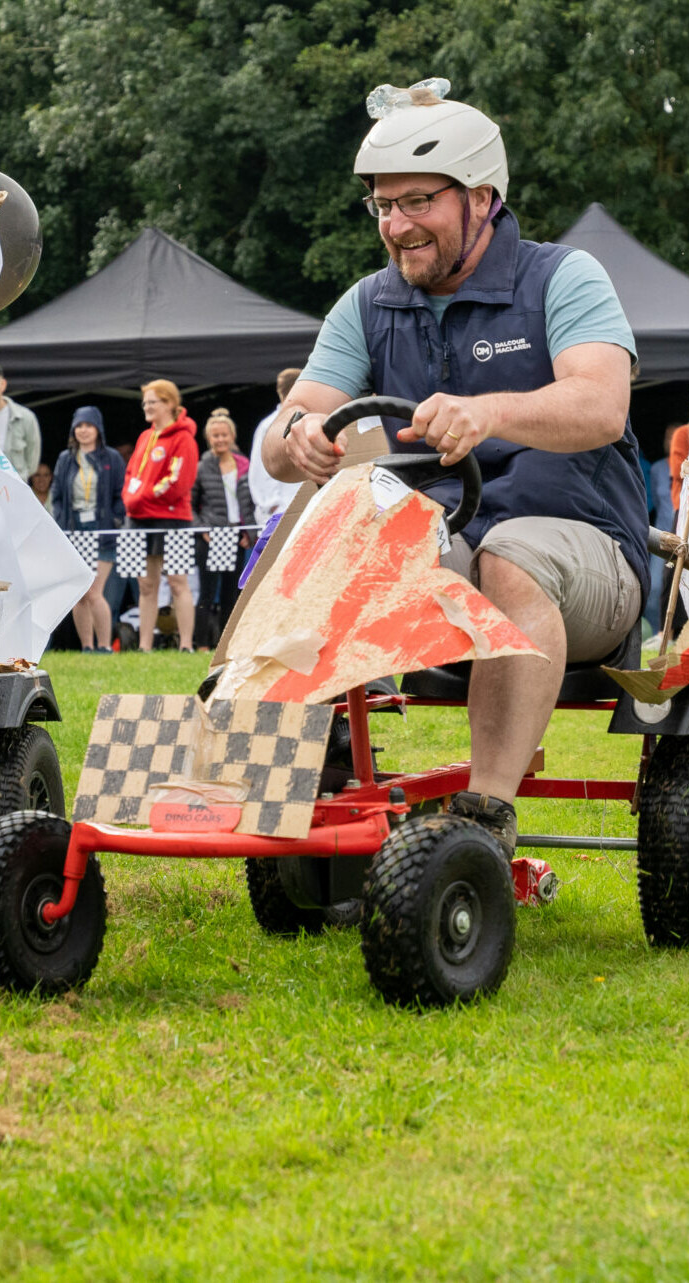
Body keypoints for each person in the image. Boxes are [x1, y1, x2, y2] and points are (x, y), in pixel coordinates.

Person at [267, 78, 646, 862]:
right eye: (380, 205)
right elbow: (290, 421)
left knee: (511, 555)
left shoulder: (562, 278)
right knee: (321, 534)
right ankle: (306, 771)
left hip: (587, 549)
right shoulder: (368, 305)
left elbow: (602, 404)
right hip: (447, 547)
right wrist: (298, 436)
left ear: (480, 196)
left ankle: (486, 817)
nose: (395, 225)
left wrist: (492, 412)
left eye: (416, 202)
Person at [123, 379, 200, 651]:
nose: (146, 407)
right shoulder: (145, 437)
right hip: (139, 517)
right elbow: (132, 472)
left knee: (178, 581)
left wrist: (141, 496)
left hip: (173, 518)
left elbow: (178, 482)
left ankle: (187, 644)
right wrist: (129, 498)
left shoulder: (183, 438)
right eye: (144, 402)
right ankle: (144, 646)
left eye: (152, 402)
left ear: (168, 403)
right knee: (145, 583)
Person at [50, 404, 126, 651]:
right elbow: (57, 496)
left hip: (102, 531)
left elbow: (119, 494)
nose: (83, 430)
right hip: (73, 530)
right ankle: (87, 647)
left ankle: (104, 646)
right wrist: (61, 526)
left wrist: (115, 520)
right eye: (79, 426)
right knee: (78, 593)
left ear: (98, 429)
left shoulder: (112, 458)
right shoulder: (65, 459)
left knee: (94, 590)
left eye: (88, 425)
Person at [191, 407, 256, 643]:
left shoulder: (244, 465)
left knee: (231, 592)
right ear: (209, 439)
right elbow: (190, 503)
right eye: (215, 436)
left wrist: (249, 532)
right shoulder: (201, 466)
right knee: (207, 593)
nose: (220, 440)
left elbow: (250, 502)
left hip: (237, 535)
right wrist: (202, 529)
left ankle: (226, 644)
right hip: (211, 536)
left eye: (224, 435)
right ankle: (200, 643)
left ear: (232, 436)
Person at [246, 368, 302, 524]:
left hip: (304, 510)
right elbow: (259, 470)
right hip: (280, 513)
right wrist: (273, 507)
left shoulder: (311, 421)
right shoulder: (269, 426)